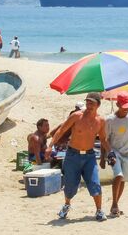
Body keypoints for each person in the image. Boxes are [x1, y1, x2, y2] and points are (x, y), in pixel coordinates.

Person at [46, 92, 109, 221]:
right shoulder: (76, 116)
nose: (88, 105)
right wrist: (50, 146)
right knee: (70, 185)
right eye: (87, 102)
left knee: (95, 183)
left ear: (98, 105)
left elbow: (103, 139)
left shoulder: (101, 120)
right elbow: (61, 130)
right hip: (72, 155)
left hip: (89, 156)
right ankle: (67, 205)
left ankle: (99, 210)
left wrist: (110, 153)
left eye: (92, 103)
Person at [100, 91, 128, 218]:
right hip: (114, 152)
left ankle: (116, 203)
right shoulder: (110, 120)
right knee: (118, 176)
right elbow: (104, 140)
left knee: (123, 179)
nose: (126, 109)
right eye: (124, 107)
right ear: (118, 104)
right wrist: (103, 157)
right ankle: (114, 204)